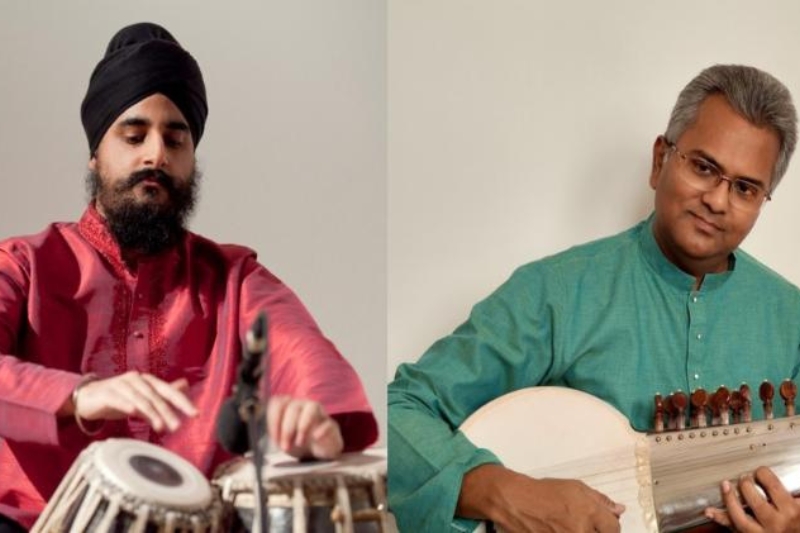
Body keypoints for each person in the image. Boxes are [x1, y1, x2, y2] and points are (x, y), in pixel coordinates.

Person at [388, 64, 800, 532]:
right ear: (659, 159)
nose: (718, 201)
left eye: (745, 188)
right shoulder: (559, 293)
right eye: (704, 167)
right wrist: (504, 492)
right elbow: (400, 409)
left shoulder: (791, 320)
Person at [0, 22, 378, 531]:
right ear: (96, 153)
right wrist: (78, 395)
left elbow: (303, 351)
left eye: (175, 139)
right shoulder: (24, 264)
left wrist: (318, 419)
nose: (156, 154)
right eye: (134, 136)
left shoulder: (234, 279)